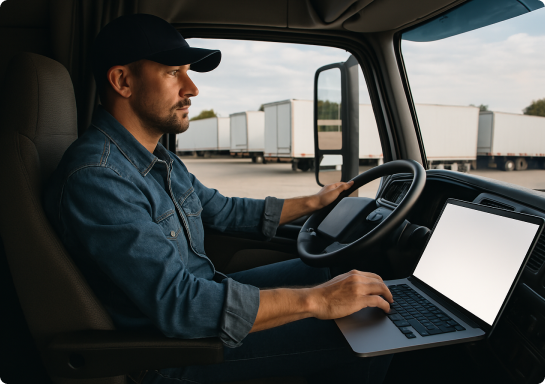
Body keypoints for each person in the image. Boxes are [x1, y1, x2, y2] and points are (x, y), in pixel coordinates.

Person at [43, 14, 393, 384]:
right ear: (123, 81)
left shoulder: (157, 158)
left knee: (331, 274)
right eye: (173, 72)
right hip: (171, 353)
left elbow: (224, 211)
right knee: (365, 327)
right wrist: (315, 301)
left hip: (198, 310)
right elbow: (180, 305)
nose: (192, 88)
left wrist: (315, 202)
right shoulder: (99, 177)